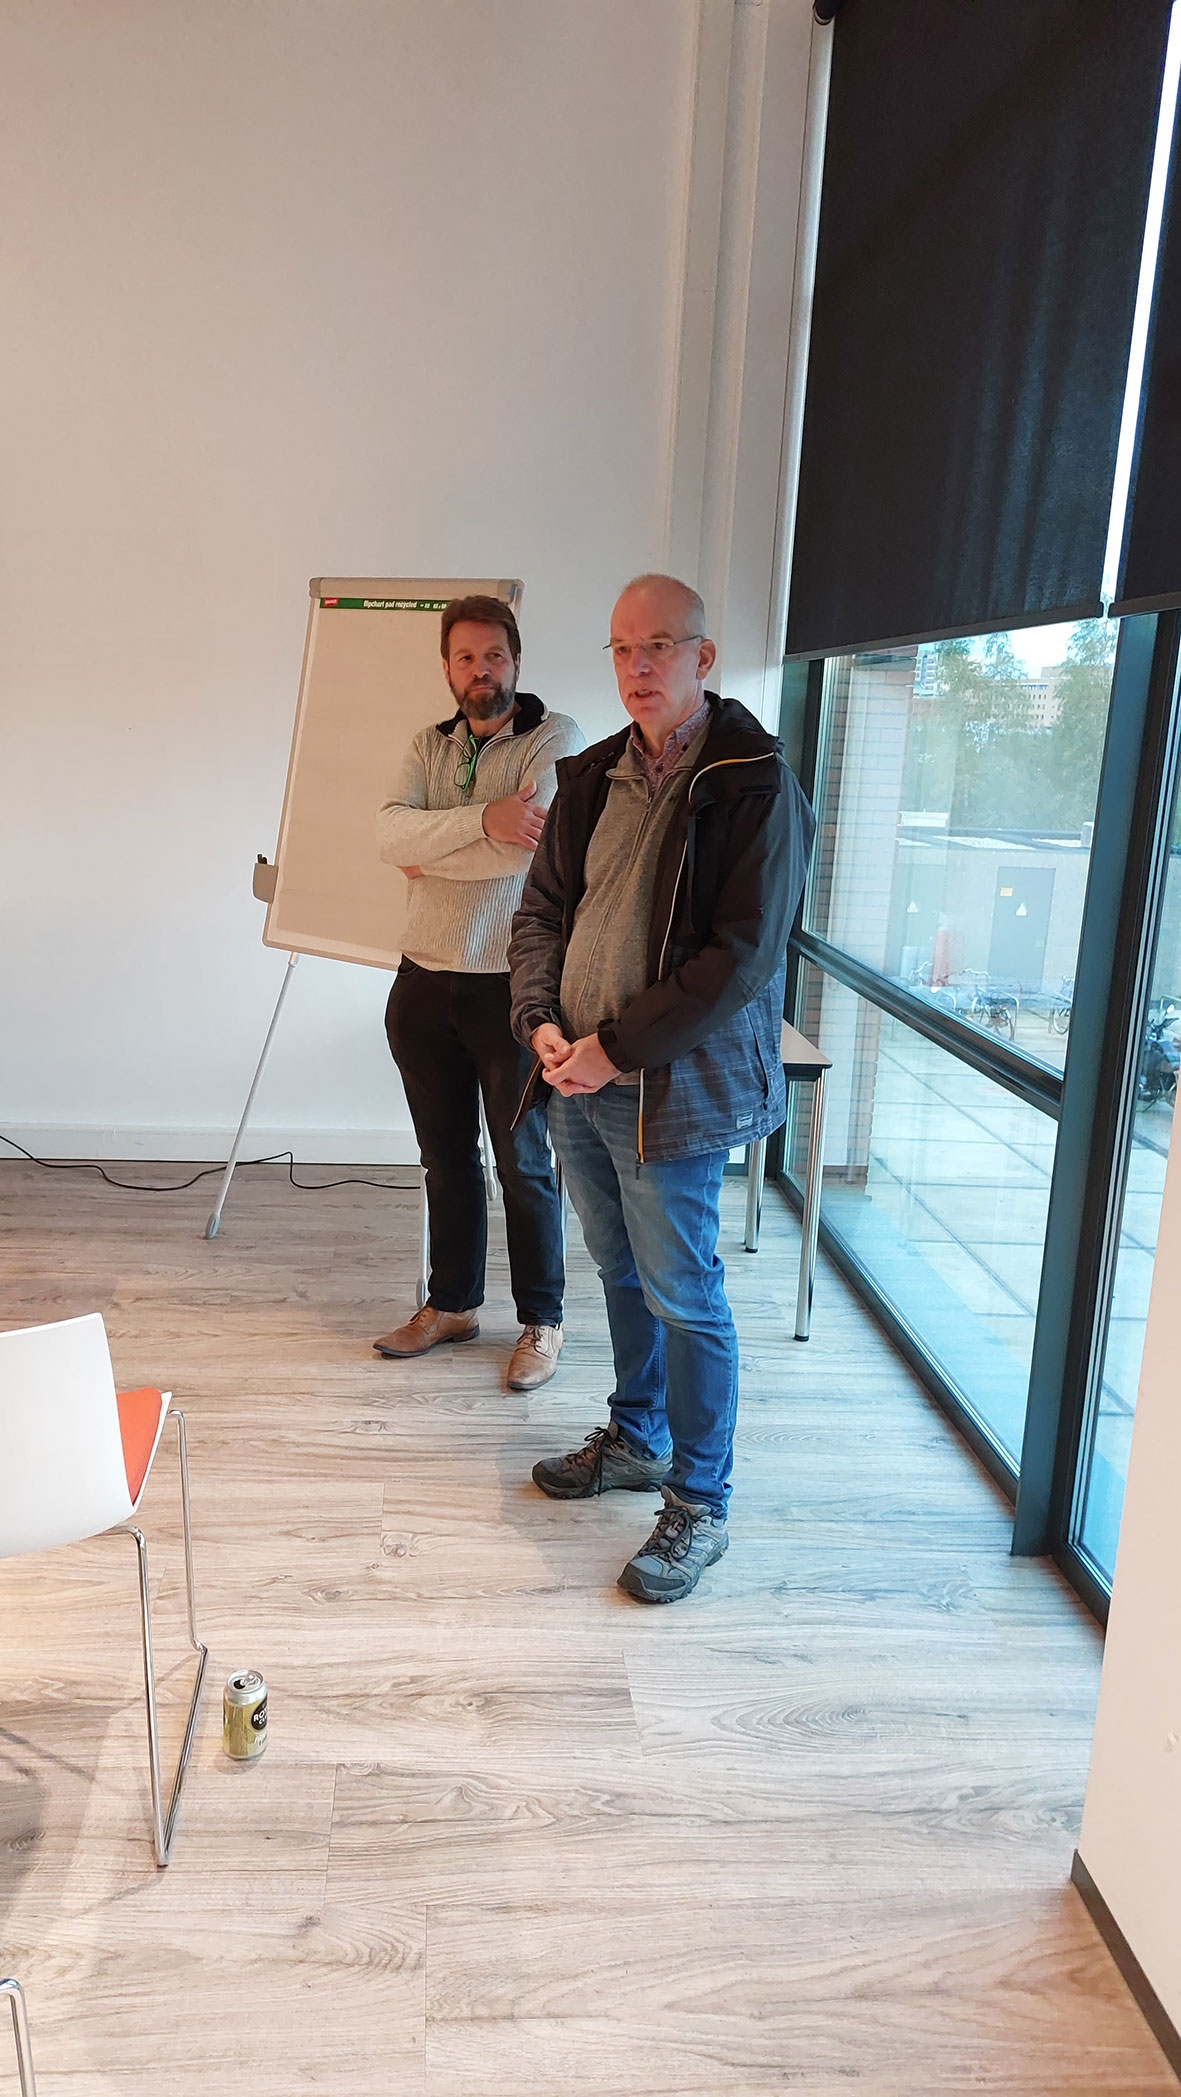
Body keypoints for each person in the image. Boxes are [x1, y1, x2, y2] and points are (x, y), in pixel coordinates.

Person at [508, 573, 814, 1599]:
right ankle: (636, 1438)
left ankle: (700, 1502)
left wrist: (615, 1047)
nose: (637, 667)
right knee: (619, 1271)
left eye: (658, 646)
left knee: (685, 1294)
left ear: (702, 656)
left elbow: (740, 958)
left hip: (672, 1091)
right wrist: (541, 1023)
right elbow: (539, 913)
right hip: (574, 1078)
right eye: (621, 649)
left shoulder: (753, 781)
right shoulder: (592, 774)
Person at [374, 595, 583, 1389]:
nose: (480, 670)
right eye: (464, 657)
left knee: (523, 1164)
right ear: (447, 668)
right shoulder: (425, 745)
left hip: (512, 987)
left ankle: (542, 1321)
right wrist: (483, 819)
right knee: (445, 1159)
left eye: (493, 654)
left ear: (515, 660)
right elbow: (387, 834)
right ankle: (453, 1304)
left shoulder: (554, 738)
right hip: (422, 980)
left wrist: (438, 844)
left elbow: (529, 849)